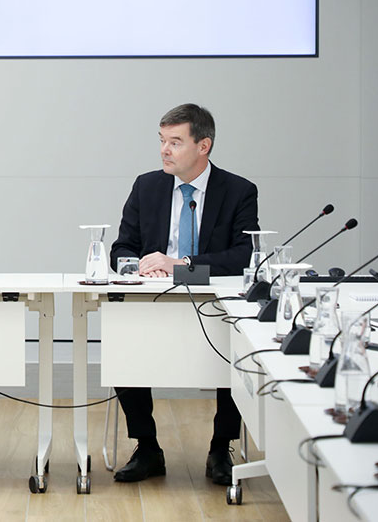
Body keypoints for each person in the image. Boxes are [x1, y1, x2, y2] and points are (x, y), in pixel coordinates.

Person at [109, 103, 258, 486]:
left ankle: (220, 447)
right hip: (154, 302)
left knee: (237, 352)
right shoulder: (147, 186)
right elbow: (120, 249)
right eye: (162, 141)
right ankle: (147, 447)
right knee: (123, 344)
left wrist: (179, 264)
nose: (164, 150)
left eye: (175, 142)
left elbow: (244, 256)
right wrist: (139, 264)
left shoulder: (238, 190)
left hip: (215, 305)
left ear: (203, 145)